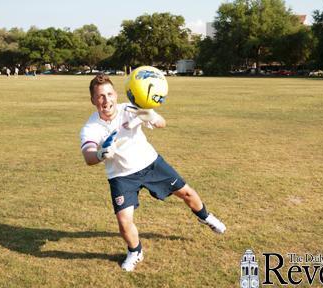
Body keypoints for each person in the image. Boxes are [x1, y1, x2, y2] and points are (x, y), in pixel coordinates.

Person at [80, 74, 226, 272]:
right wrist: (100, 154)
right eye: (100, 96)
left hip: (150, 164)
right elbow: (88, 157)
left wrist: (154, 117)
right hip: (121, 176)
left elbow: (161, 123)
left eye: (109, 94)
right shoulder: (91, 127)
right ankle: (135, 251)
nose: (106, 100)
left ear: (115, 95)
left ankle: (205, 216)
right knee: (124, 221)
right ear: (93, 100)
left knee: (188, 193)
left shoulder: (130, 109)